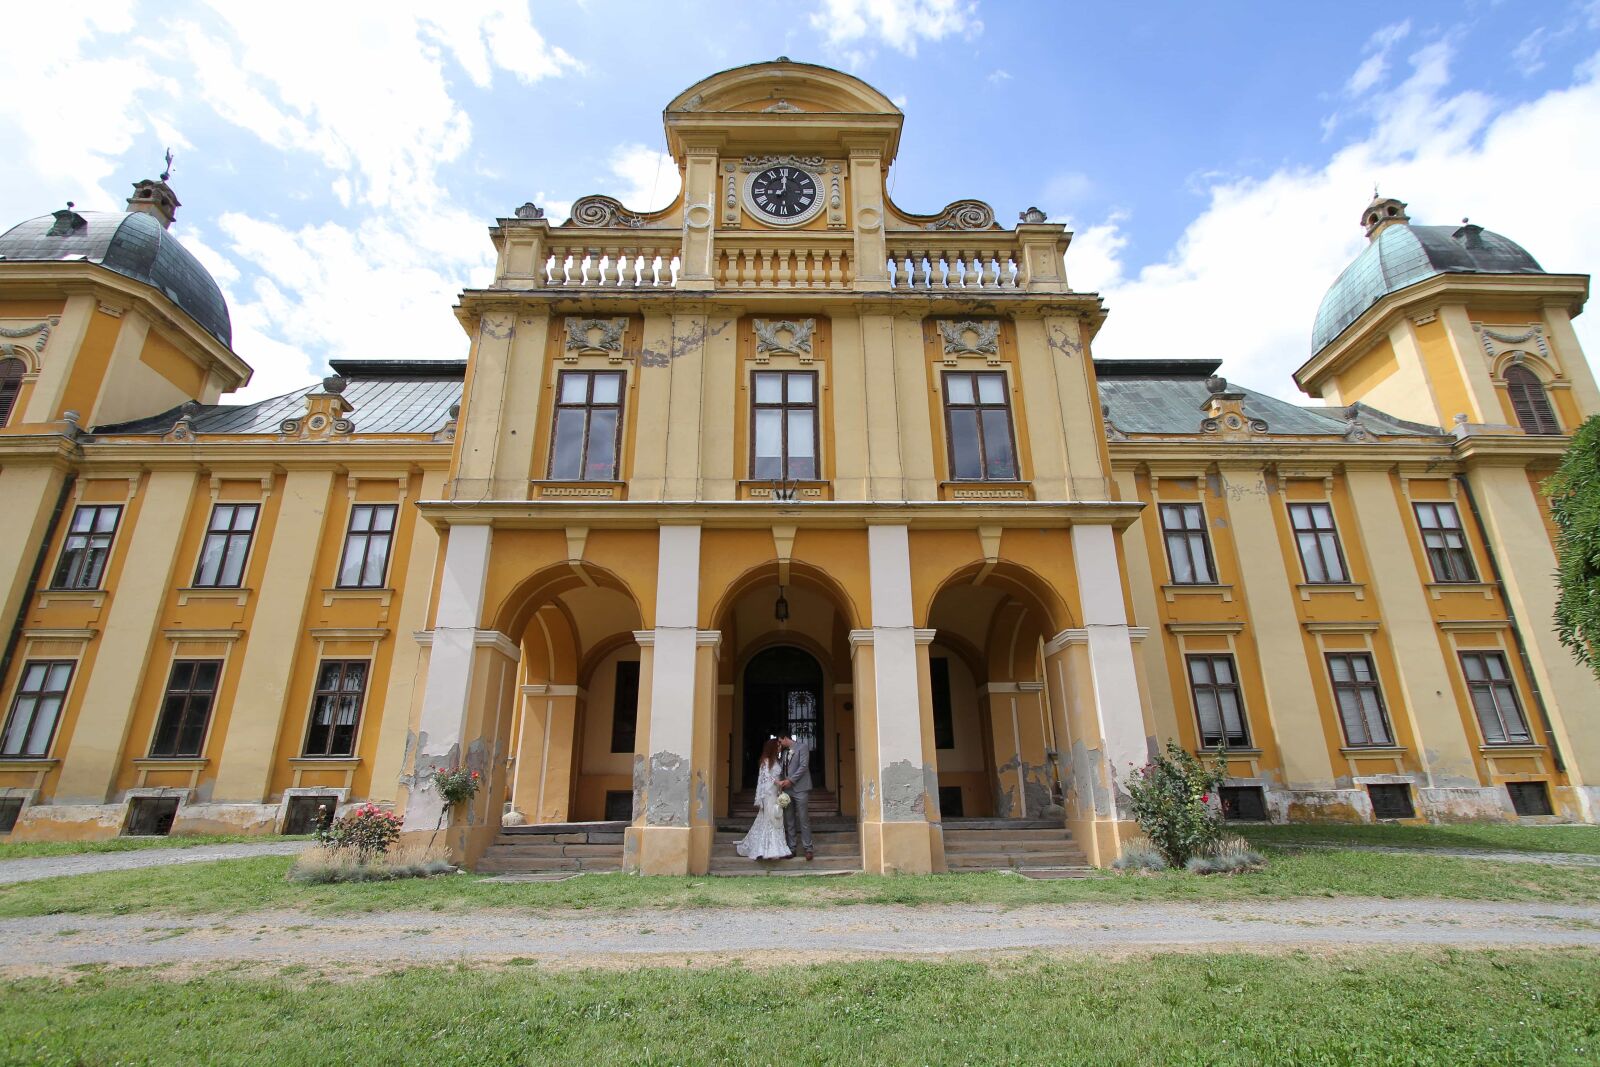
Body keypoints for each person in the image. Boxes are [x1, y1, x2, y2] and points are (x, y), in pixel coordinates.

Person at [734, 738, 792, 860]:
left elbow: (777, 774)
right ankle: (765, 849)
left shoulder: (777, 760)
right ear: (772, 748)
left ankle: (777, 848)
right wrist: (778, 782)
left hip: (776, 794)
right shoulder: (766, 761)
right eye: (777, 745)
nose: (780, 747)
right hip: (768, 794)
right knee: (769, 820)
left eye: (780, 745)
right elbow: (766, 777)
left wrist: (780, 789)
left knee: (776, 820)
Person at [777, 730, 814, 861]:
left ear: (785, 738)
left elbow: (803, 767)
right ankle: (791, 848)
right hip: (787, 790)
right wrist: (782, 783)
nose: (780, 744)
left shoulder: (802, 747)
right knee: (789, 820)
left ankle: (808, 848)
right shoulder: (784, 751)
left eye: (780, 741)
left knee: (803, 819)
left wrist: (790, 780)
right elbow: (781, 768)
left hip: (801, 788)